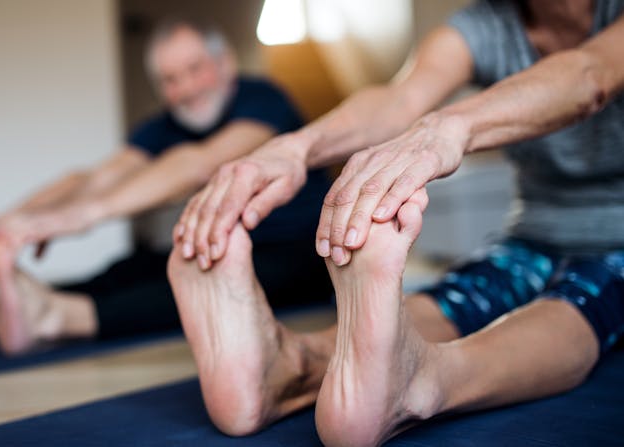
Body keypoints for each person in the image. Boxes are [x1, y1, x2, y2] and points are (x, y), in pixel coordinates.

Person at [170, 0, 624, 445]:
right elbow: (400, 97)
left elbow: (590, 75)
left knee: (578, 303)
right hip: (531, 234)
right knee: (463, 292)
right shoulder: (486, 23)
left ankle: (426, 381)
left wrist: (449, 128)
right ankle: (291, 366)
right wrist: (296, 148)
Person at [0, 18, 332, 355]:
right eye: (169, 80)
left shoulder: (261, 98)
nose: (184, 89)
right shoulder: (163, 125)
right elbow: (93, 178)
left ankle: (49, 316)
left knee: (191, 282)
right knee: (127, 269)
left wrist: (81, 217)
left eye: (194, 70)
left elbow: (200, 163)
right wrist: (1, 224)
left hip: (298, 253)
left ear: (224, 64)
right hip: (216, 245)